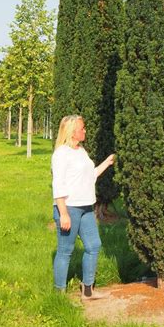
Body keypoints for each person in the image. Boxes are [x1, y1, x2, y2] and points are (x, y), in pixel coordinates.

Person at [52, 114, 115, 299]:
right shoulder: (61, 154)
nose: (85, 130)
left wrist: (108, 161)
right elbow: (58, 184)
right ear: (72, 132)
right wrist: (63, 213)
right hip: (69, 208)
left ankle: (87, 290)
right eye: (82, 128)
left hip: (87, 207)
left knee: (94, 245)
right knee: (65, 251)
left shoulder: (81, 151)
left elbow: (91, 176)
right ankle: (59, 294)